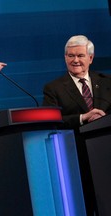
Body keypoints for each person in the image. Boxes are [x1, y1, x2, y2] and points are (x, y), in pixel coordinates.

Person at [42, 35, 111, 215]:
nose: (75, 60)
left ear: (91, 57)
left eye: (80, 55)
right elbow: (50, 120)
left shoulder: (107, 82)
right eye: (70, 56)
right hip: (76, 156)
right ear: (65, 57)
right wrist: (83, 117)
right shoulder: (53, 88)